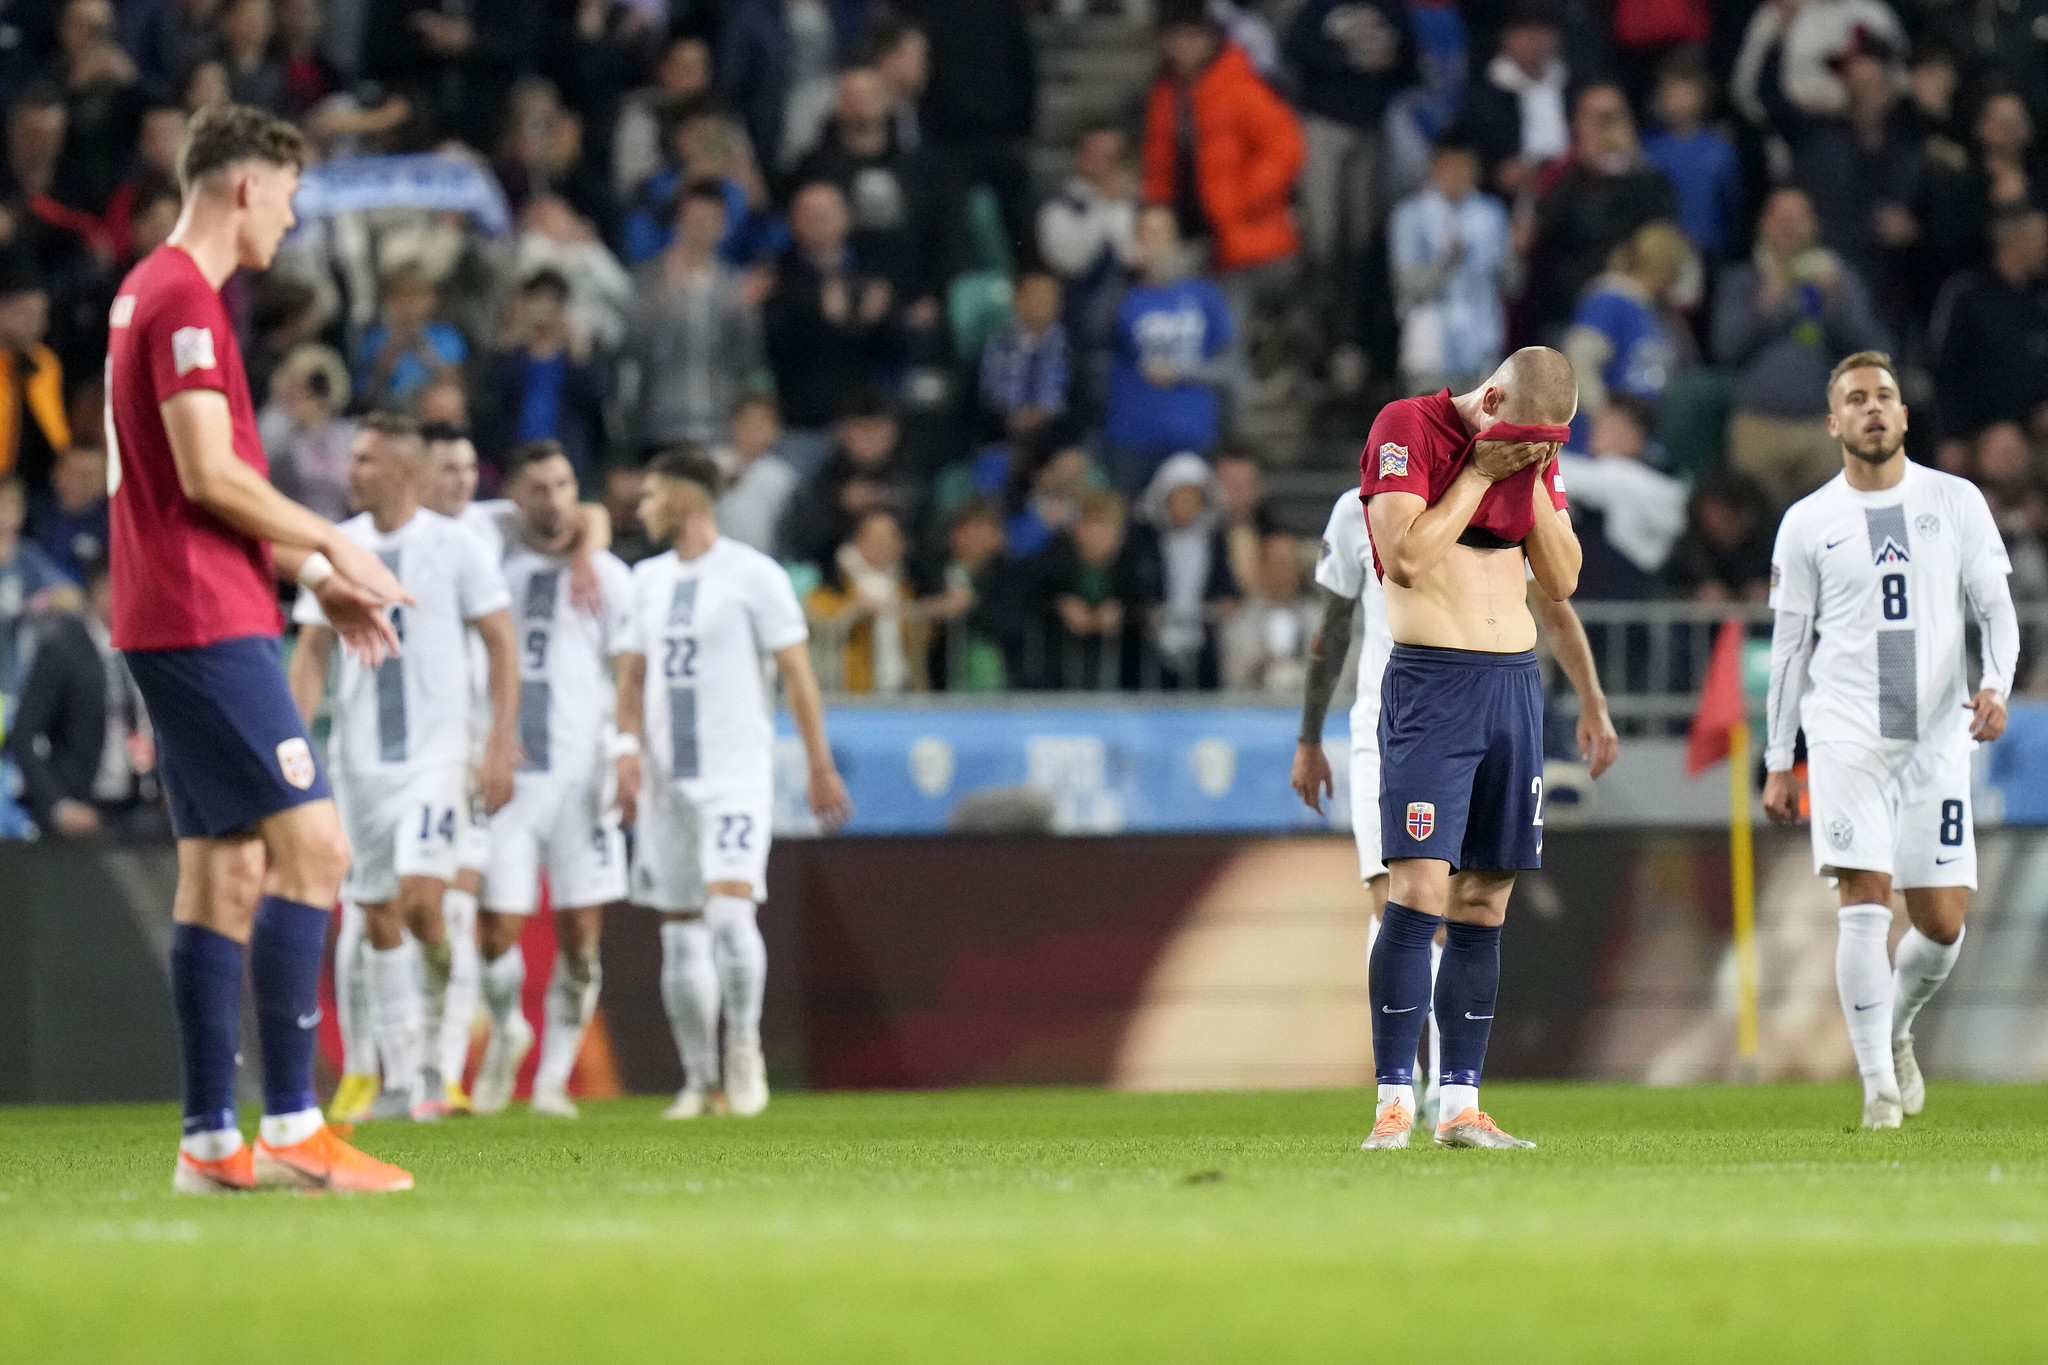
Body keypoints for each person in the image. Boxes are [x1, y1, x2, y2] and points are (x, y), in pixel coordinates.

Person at [106, 101, 412, 1193]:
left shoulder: (151, 289)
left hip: (181, 605)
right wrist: (334, 537)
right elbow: (205, 476)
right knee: (316, 851)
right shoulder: (185, 297)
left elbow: (202, 498)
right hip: (201, 620)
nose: (291, 220)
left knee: (225, 870)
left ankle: (208, 1145)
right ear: (246, 186)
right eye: (287, 197)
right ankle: (290, 1126)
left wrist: (315, 582)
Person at [1292, 477, 1617, 1123]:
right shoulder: (1358, 509)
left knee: (1465, 901)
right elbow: (1332, 623)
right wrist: (1308, 735)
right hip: (1385, 727)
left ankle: (1449, 1087)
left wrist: (1593, 699)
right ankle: (1401, 1080)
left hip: (1474, 718)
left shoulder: (1495, 497)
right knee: (1398, 898)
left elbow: (1551, 601)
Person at [1761, 351, 2018, 1129]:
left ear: (1904, 416)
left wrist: (1996, 686)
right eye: (1855, 399)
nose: (1873, 408)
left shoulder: (1956, 500)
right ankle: (1876, 1088)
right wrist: (1781, 759)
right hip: (1847, 741)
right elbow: (1788, 651)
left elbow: (1997, 612)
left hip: (1936, 740)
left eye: (1885, 396)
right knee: (1863, 903)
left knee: (1941, 925)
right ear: (1833, 423)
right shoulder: (1807, 521)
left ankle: (1896, 1029)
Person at [1351, 346, 1581, 1151]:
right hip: (1433, 685)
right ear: (1490, 401)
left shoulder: (1537, 450)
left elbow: (1561, 580)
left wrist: (1536, 478)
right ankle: (1392, 1100)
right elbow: (1408, 558)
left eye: (1554, 445)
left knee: (1486, 899)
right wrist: (1482, 473)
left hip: (1513, 688)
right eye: (1532, 438)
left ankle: (1460, 1103)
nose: (1541, 453)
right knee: (1417, 891)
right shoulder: (1406, 427)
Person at [286, 415, 520, 1124]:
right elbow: (311, 653)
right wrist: (294, 748)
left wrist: (499, 740)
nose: (351, 469)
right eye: (352, 456)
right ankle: (405, 1072)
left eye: (365, 458)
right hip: (359, 762)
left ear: (403, 470)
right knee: (376, 912)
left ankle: (437, 1047)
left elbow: (501, 644)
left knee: (424, 900)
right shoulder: (337, 547)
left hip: (436, 756)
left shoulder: (457, 546)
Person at [615, 447, 852, 1119]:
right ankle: (697, 1079)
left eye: (654, 497)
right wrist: (625, 750)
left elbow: (798, 674)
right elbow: (630, 676)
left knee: (728, 911)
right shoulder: (646, 580)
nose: (644, 508)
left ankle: (744, 1051)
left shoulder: (756, 575)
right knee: (680, 930)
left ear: (686, 502)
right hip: (666, 781)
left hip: (734, 775)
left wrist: (818, 762)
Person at [469, 441, 636, 1120]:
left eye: (565, 484)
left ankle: (552, 1082)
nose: (555, 498)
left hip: (580, 778)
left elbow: (629, 668)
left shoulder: (609, 577)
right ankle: (509, 1028)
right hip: (509, 772)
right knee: (495, 931)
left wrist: (627, 748)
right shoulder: (489, 554)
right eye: (538, 486)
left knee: (581, 933)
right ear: (513, 495)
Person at [1712, 188, 1891, 507]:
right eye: (1781, 219)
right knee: (1758, 532)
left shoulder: (1837, 277)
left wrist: (1836, 303)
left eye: (1798, 219)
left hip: (1823, 430)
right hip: (1759, 427)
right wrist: (1764, 308)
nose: (1789, 227)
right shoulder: (1744, 279)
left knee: (1829, 532)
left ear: (1814, 225)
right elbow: (1725, 348)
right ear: (1763, 225)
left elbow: (1871, 351)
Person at [4, 557, 156, 838]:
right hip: (79, 805)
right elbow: (23, 732)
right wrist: (57, 804)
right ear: (100, 590)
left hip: (137, 806)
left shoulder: (147, 652)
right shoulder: (62, 648)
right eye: (125, 586)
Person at [1523, 81, 1678, 336]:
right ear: (1577, 123)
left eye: (1613, 117)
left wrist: (1629, 168)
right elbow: (1541, 235)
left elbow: (1660, 233)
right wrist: (1584, 168)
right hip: (1570, 315)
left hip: (1638, 313)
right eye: (1595, 118)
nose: (1605, 127)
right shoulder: (1559, 175)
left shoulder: (1650, 179)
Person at [623, 182, 767, 452]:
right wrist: (667, 299)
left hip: (720, 425)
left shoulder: (735, 285)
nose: (702, 228)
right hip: (660, 424)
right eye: (694, 219)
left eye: (711, 220)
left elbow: (748, 358)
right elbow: (633, 348)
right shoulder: (648, 281)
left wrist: (744, 313)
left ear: (724, 226)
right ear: (678, 222)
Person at [1104, 206, 1232, 494]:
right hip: (1132, 436)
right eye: (1147, 234)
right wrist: (1121, 273)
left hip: (1193, 433)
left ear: (1176, 241)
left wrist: (1183, 372)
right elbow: (1094, 334)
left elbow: (1231, 366)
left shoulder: (1204, 295)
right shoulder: (1123, 294)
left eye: (1162, 234)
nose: (1155, 244)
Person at [1388, 133, 1515, 397]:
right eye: (1449, 166)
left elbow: (1512, 285)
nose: (1457, 174)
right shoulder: (1411, 216)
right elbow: (1408, 286)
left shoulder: (1492, 214)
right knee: (1431, 434)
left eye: (1464, 166)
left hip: (1483, 348)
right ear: (1434, 168)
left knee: (1479, 435)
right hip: (1429, 351)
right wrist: (1446, 262)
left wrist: (1516, 253)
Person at [1560, 220, 1695, 446]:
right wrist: (1603, 415)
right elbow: (1578, 364)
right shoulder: (1610, 299)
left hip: (1644, 433)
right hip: (1600, 439)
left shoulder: (1659, 311)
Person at [1930, 208, 2048, 440]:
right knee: (2003, 449)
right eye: (2042, 240)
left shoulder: (2040, 298)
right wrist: (1950, 435)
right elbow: (1943, 371)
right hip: (1982, 429)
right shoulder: (1968, 294)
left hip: (2038, 424)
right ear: (2015, 242)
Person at [1128, 452, 1239, 689]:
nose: (1186, 504)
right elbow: (1135, 585)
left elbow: (1226, 584)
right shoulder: (1144, 539)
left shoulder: (1213, 539)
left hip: (1202, 641)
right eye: (1180, 496)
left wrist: (1224, 603)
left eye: (1193, 497)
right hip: (1149, 646)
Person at [486, 268, 608, 482]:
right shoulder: (512, 355)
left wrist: (578, 352)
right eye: (537, 301)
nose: (544, 311)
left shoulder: (576, 357)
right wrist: (511, 339)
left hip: (566, 458)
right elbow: (491, 394)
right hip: (514, 460)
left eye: (552, 302)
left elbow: (599, 396)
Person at [804, 506, 929, 693]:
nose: (883, 546)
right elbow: (818, 624)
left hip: (899, 691)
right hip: (847, 693)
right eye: (876, 539)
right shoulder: (834, 584)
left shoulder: (905, 588)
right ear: (858, 541)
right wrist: (854, 611)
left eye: (890, 538)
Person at [1640, 55, 1742, 263]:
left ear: (1702, 94)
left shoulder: (1720, 150)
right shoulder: (1647, 148)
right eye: (1670, 93)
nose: (1677, 101)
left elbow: (1732, 205)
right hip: (1658, 253)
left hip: (1709, 253)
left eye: (1685, 92)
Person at [1463, 5, 1570, 199]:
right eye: (1524, 30)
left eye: (1541, 29)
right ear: (1506, 37)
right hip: (1507, 199)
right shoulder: (1482, 96)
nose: (1534, 39)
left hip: (1574, 190)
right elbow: (1465, 157)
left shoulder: (1576, 87)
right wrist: (1497, 174)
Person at [353, 263, 467, 414]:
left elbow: (454, 387)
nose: (411, 304)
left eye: (419, 296)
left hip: (434, 422)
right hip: (388, 420)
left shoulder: (446, 337)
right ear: (390, 299)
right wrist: (389, 356)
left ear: (432, 299)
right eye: (404, 296)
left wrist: (426, 354)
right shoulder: (373, 340)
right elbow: (365, 398)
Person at [257, 341, 352, 521]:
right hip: (286, 523)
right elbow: (263, 467)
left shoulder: (342, 432)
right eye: (303, 384)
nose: (308, 393)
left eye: (316, 386)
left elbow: (349, 487)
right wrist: (298, 425)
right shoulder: (274, 421)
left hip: (335, 527)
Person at [0, 262, 70, 494]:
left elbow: (56, 433)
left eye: (42, 315)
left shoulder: (44, 363)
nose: (38, 324)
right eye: (27, 313)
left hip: (30, 485)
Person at [0, 472, 72, 694]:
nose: (5, 511)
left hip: (14, 681)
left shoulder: (28, 558)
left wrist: (38, 603)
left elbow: (71, 596)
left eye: (12, 504)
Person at [978, 270, 1069, 440]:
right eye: (1036, 297)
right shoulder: (998, 343)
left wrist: (1043, 413)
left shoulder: (1069, 347)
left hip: (1055, 435)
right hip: (1002, 430)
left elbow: (1073, 396)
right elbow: (988, 390)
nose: (1042, 304)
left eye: (1048, 298)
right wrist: (1011, 415)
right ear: (1018, 301)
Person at [714, 395, 798, 556]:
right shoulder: (709, 467)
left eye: (763, 423)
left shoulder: (782, 477)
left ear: (776, 431)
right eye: (747, 421)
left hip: (764, 562)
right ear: (733, 424)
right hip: (715, 563)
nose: (753, 429)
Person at [28, 443, 109, 582]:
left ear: (105, 480)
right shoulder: (28, 510)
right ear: (55, 472)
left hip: (86, 598)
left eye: (89, 475)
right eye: (72, 471)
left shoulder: (115, 523)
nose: (79, 480)